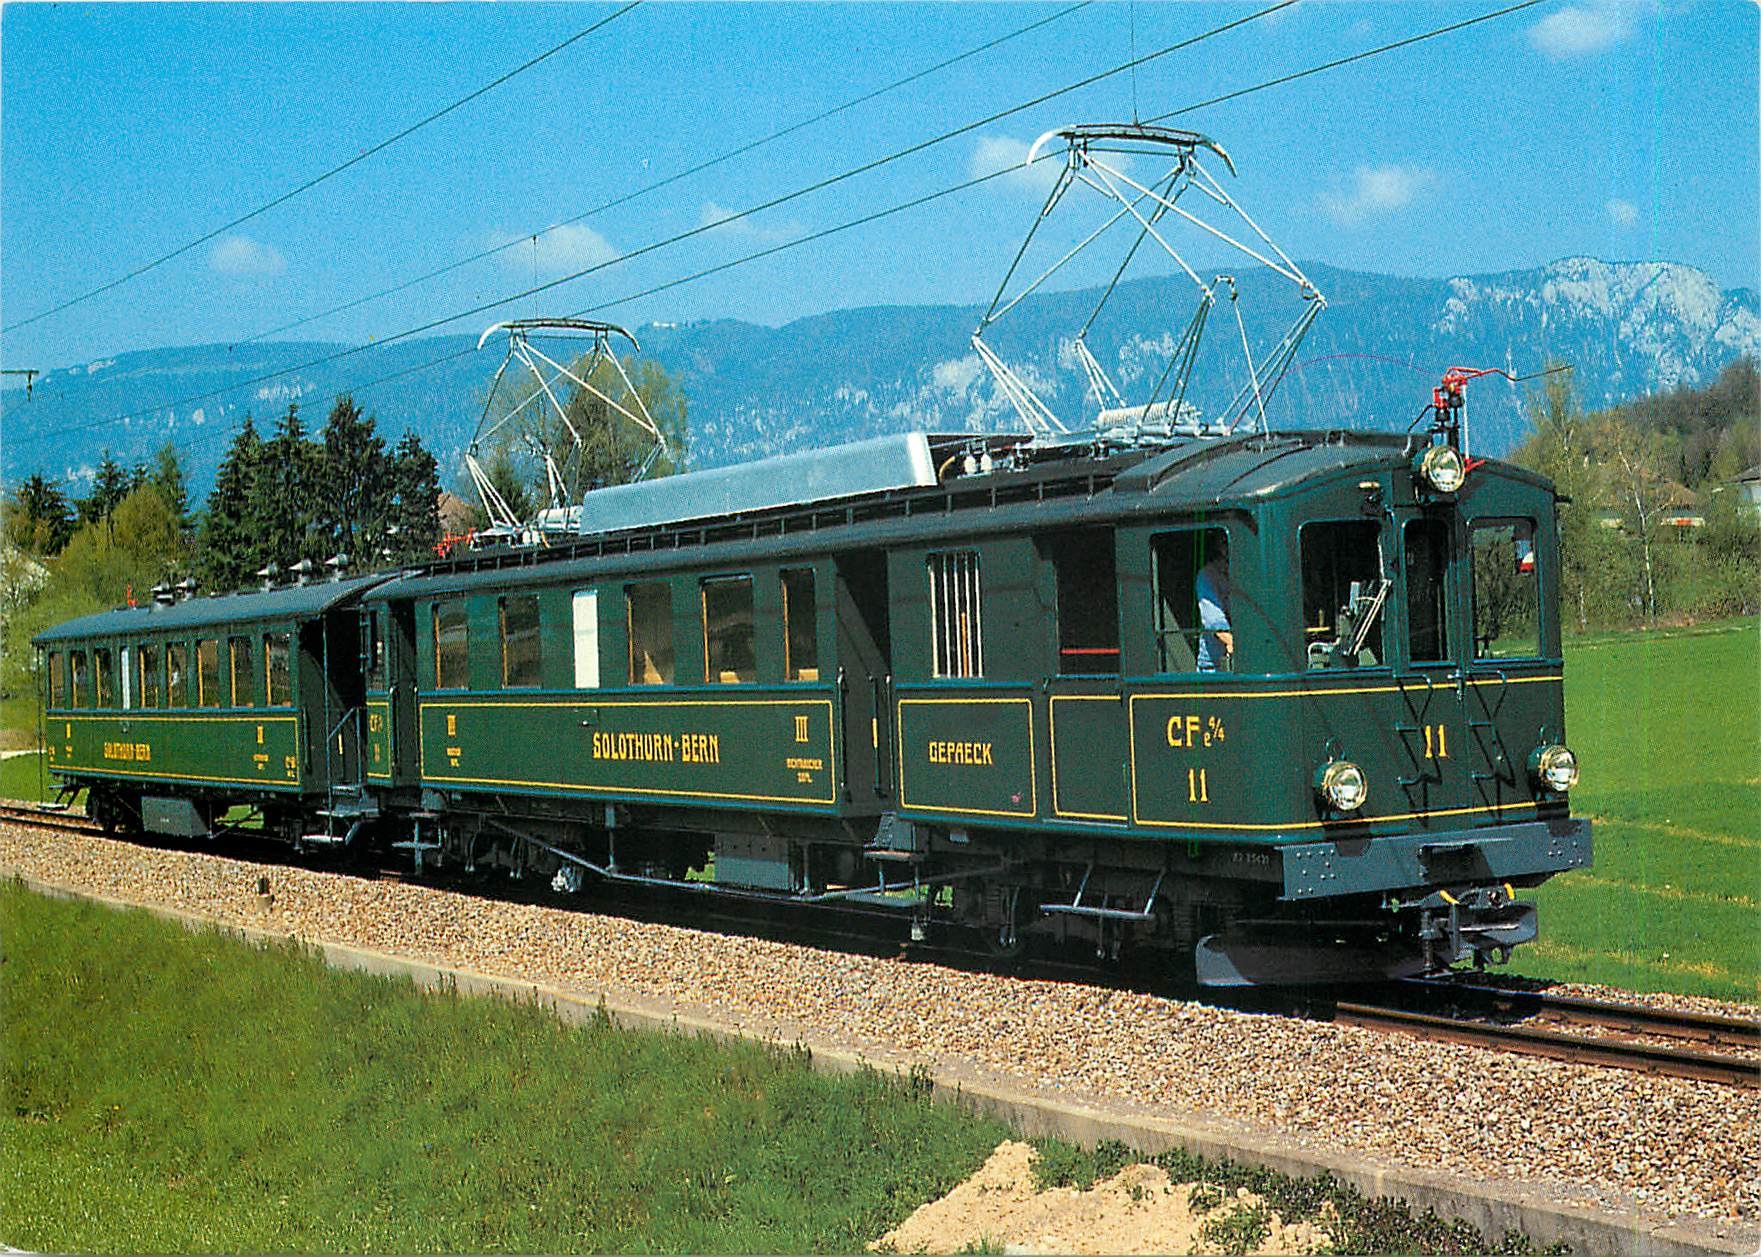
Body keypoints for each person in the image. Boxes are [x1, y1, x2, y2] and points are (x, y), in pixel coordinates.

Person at [1195, 539, 1232, 672]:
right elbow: (1212, 620)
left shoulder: (1241, 573)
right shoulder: (1206, 576)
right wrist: (1231, 641)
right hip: (1213, 666)